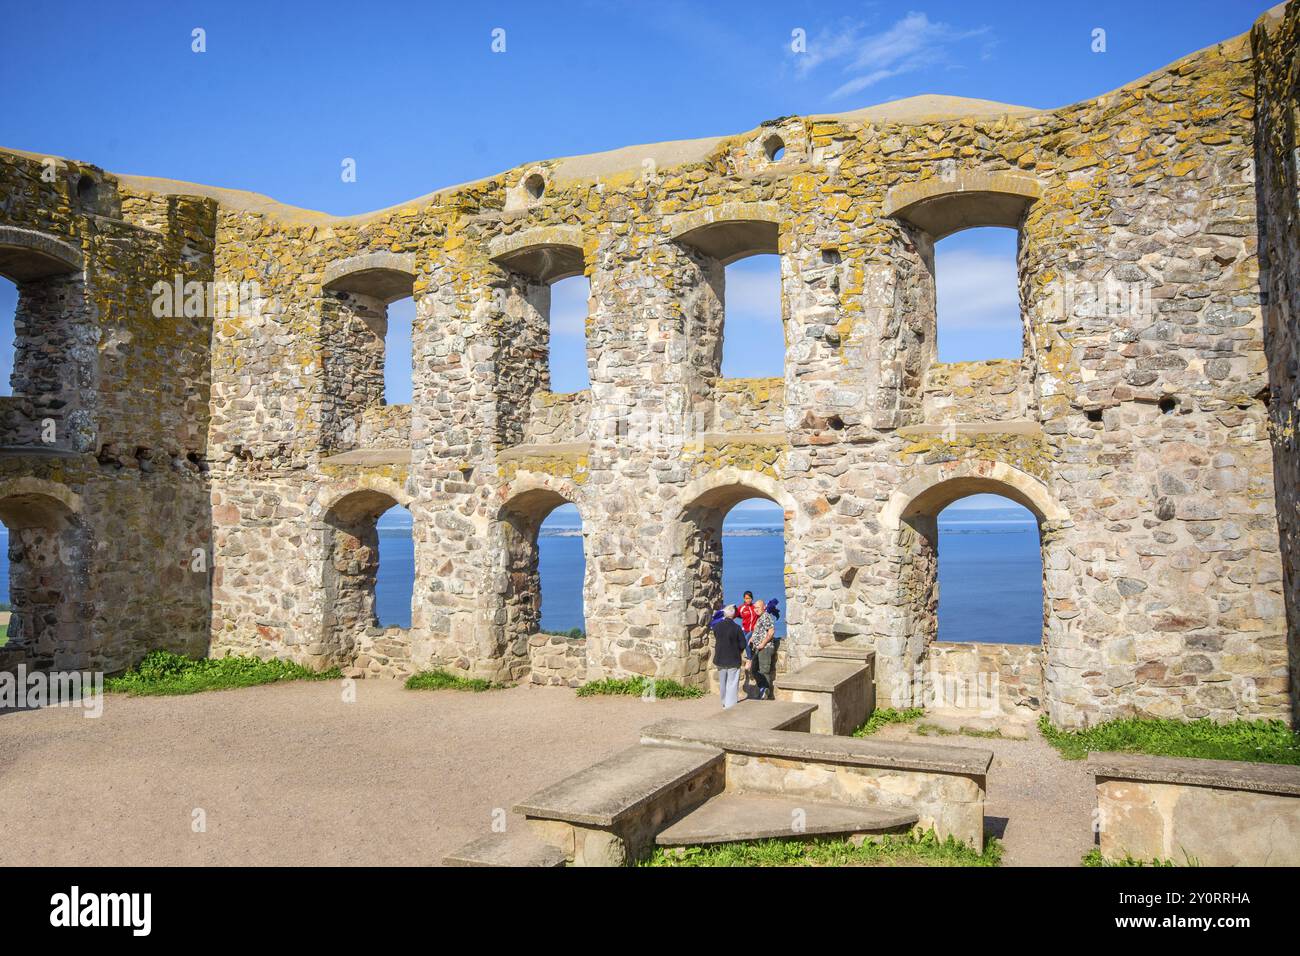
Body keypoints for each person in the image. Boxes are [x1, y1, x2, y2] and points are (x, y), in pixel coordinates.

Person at [711, 605, 745, 709]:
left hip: (720, 658)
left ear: (724, 614)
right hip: (733, 659)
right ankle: (730, 706)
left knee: (723, 683)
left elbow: (717, 637)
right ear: (734, 615)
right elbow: (743, 645)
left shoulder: (717, 626)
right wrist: (738, 651)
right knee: (732, 683)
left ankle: (724, 703)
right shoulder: (737, 628)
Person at [750, 598, 781, 700]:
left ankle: (765, 694)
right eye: (755, 608)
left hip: (765, 648)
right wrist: (751, 639)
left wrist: (763, 644)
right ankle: (762, 689)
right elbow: (758, 632)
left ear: (764, 607)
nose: (756, 609)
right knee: (754, 670)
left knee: (764, 671)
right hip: (758, 648)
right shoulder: (760, 617)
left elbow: (771, 632)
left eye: (758, 607)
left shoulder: (766, 617)